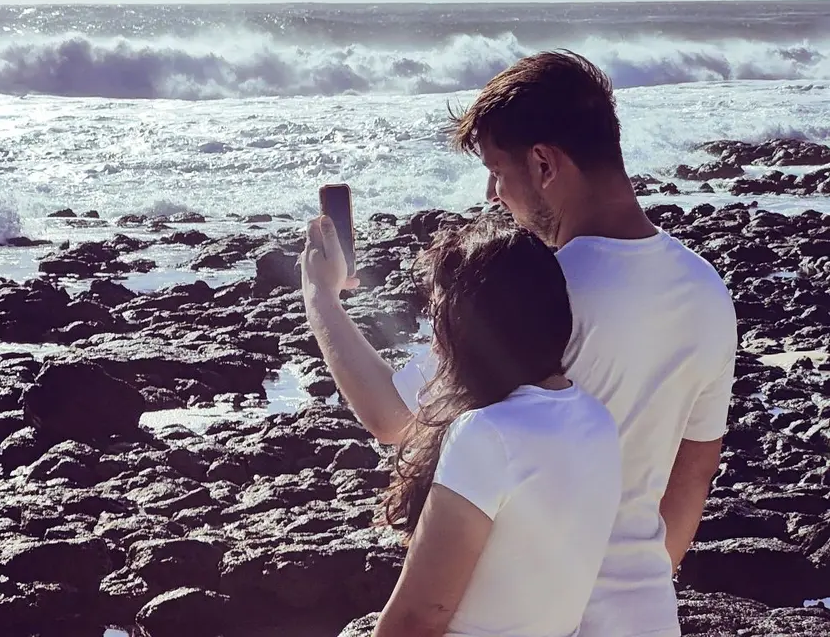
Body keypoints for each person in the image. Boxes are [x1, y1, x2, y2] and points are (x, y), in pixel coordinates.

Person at [301, 50, 737, 637]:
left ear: (543, 163)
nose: (493, 194)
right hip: (646, 615)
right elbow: (693, 472)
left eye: (496, 170)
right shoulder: (705, 287)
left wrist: (320, 299)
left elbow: (392, 416)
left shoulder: (546, 295)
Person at [354, 215, 621, 636]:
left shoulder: (486, 433)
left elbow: (417, 618)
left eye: (437, 314)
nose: (434, 339)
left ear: (465, 327)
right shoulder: (597, 421)